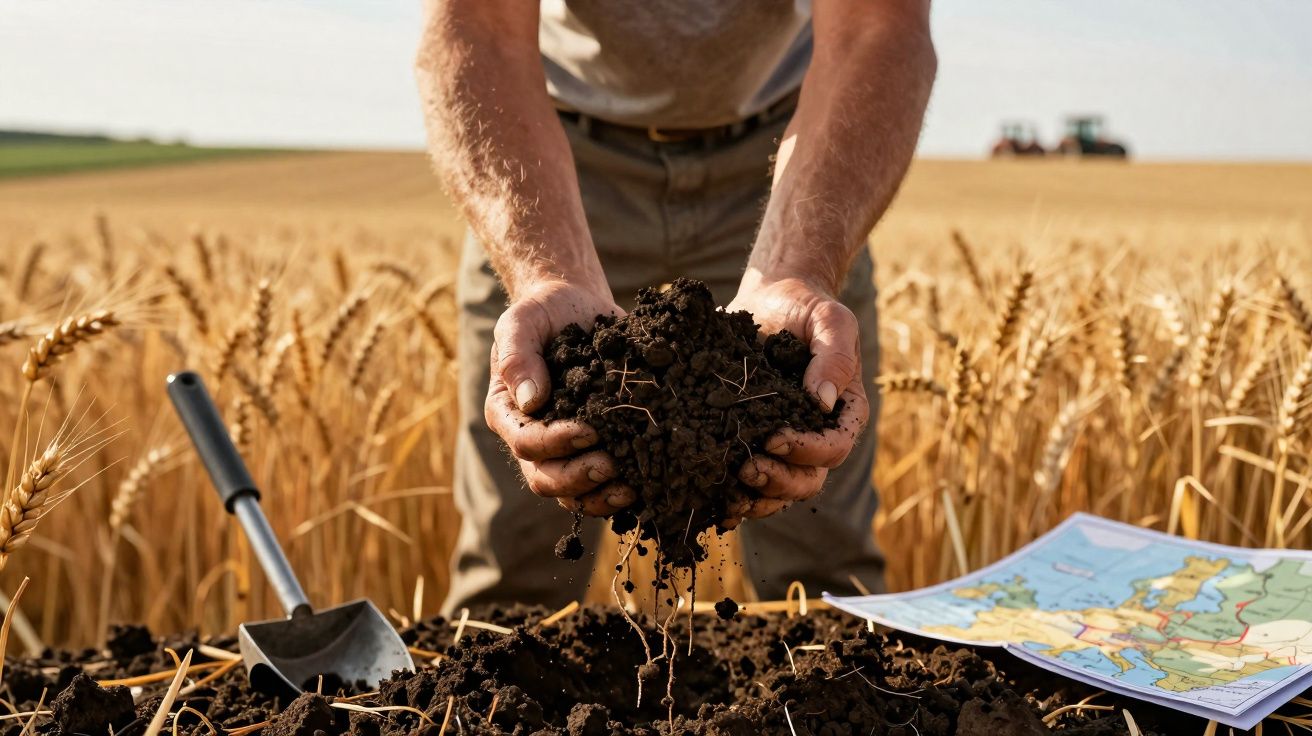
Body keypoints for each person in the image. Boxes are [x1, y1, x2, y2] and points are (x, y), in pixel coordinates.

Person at [415, 0, 936, 614]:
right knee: (508, 581)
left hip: (802, 152)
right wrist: (545, 273)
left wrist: (800, 269)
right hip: (541, 157)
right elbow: (478, 28)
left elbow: (877, 25)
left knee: (824, 580)